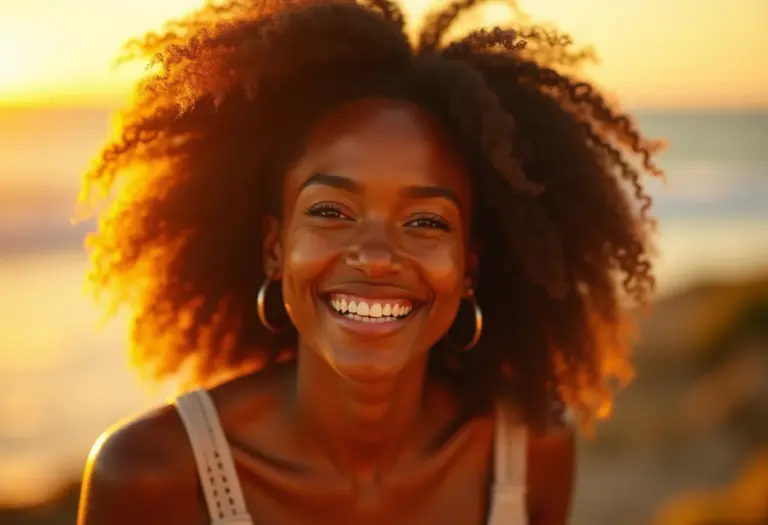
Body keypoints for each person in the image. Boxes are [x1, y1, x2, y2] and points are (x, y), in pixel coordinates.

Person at [75, 1, 663, 524]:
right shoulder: (152, 476)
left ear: (469, 270)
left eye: (426, 221)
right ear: (275, 249)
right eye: (332, 211)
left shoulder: (532, 448)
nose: (377, 256)